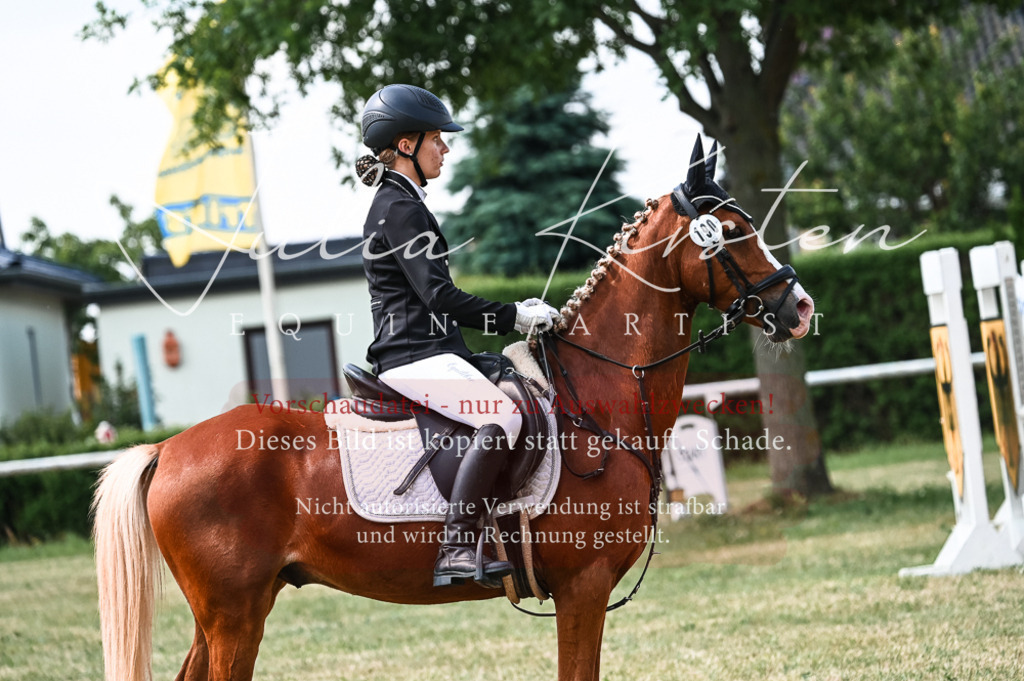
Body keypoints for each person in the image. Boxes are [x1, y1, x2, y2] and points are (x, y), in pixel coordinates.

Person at [356, 84, 560, 587]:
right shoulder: (400, 208)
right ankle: (457, 547)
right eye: (437, 139)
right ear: (406, 145)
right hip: (412, 356)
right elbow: (439, 297)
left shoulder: (402, 201)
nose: (446, 148)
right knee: (503, 417)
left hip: (430, 350)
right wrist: (512, 314)